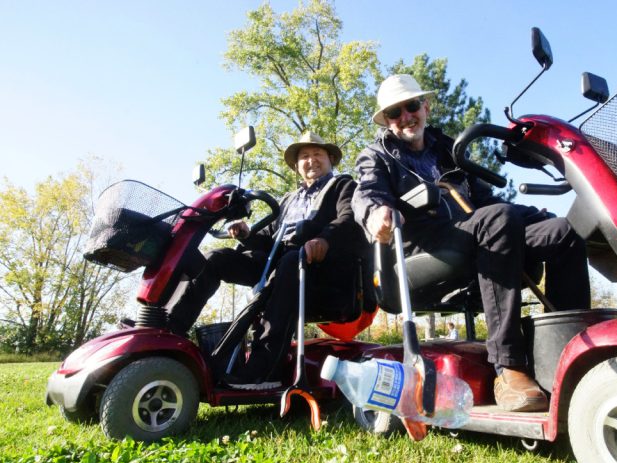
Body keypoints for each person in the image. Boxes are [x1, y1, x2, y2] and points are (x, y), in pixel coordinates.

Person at [351, 74, 590, 412]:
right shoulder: (376, 155)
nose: (405, 116)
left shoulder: (450, 150)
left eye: (411, 105)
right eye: (394, 112)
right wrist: (376, 213)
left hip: (477, 230)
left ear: (426, 106)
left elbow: (488, 201)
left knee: (564, 231)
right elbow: (367, 193)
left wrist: (535, 215)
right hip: (421, 248)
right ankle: (508, 366)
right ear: (387, 121)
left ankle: (568, 354)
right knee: (499, 219)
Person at [168, 132, 367, 388]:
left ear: (330, 159)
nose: (311, 160)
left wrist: (324, 240)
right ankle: (172, 328)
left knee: (289, 262)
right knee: (217, 258)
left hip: (323, 273)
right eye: (304, 156)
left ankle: (264, 370)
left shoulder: (343, 186)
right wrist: (247, 234)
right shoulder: (287, 200)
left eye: (317, 154)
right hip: (281, 264)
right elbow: (269, 240)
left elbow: (349, 220)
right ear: (297, 166)